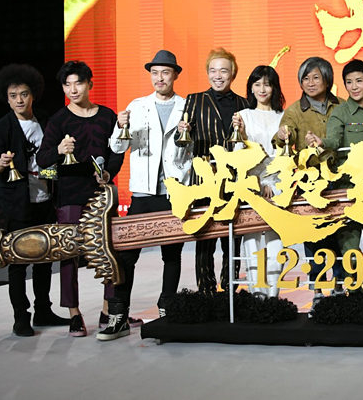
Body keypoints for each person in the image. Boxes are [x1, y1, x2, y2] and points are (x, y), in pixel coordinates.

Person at [99, 50, 193, 340]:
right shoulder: (137, 106)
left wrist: (188, 135)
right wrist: (120, 126)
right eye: (155, 73)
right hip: (143, 192)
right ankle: (119, 315)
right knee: (127, 256)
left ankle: (167, 310)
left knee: (172, 254)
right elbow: (117, 147)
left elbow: (192, 152)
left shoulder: (187, 106)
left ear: (175, 75)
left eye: (165, 72)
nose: (159, 78)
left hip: (175, 192)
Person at [36, 61, 124, 337]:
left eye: (78, 83)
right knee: (69, 253)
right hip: (70, 194)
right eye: (67, 85)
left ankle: (108, 310)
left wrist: (108, 172)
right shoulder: (58, 120)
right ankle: (74, 314)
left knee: (110, 250)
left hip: (101, 194)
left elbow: (117, 151)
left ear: (89, 84)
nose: (73, 89)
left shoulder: (107, 116)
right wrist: (58, 150)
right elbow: (42, 160)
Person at [0, 64, 70, 336]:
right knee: (18, 262)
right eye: (13, 96)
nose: (19, 100)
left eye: (24, 94)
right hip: (17, 204)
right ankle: (21, 317)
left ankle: (43, 311)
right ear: (7, 99)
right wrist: (0, 163)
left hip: (44, 199)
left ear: (33, 95)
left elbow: (49, 162)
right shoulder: (1, 128)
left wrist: (51, 174)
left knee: (45, 257)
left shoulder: (46, 121)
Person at [307, 59, 363, 303]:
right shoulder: (340, 113)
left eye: (359, 81)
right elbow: (333, 140)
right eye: (349, 82)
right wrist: (322, 143)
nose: (354, 87)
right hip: (349, 191)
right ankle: (354, 298)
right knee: (349, 248)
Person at [274, 56, 345, 313]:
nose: (310, 83)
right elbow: (285, 134)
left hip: (339, 180)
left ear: (327, 79)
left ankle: (340, 287)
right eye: (305, 78)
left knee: (340, 235)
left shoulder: (343, 106)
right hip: (309, 183)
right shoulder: (294, 110)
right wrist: (282, 135)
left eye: (316, 77)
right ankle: (317, 291)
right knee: (313, 238)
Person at [180, 48, 249, 295]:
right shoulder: (195, 100)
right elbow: (181, 142)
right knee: (205, 237)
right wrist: (182, 131)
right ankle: (206, 291)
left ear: (233, 74)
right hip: (204, 179)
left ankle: (230, 289)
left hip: (233, 179)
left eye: (223, 71)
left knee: (232, 236)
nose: (218, 76)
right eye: (213, 70)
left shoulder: (244, 104)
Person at [232, 65, 286, 298]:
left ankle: (273, 298)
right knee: (252, 242)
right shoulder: (243, 116)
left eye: (267, 84)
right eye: (257, 84)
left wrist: (272, 184)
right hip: (251, 187)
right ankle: (257, 297)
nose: (262, 89)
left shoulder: (284, 116)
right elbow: (239, 153)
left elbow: (285, 155)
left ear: (274, 88)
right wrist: (256, 183)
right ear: (251, 88)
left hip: (279, 185)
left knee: (277, 244)